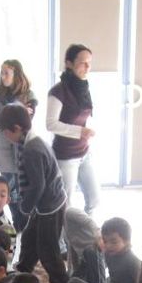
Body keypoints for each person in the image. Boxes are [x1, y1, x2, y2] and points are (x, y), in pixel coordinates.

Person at [0, 104, 71, 283]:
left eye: (6, 132)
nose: (5, 136)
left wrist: (26, 208)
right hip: (45, 203)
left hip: (50, 205)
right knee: (29, 238)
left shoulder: (32, 149)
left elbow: (38, 185)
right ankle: (22, 273)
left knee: (48, 249)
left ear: (18, 128)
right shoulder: (29, 141)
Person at [48, 43, 100, 214]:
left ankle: (86, 233)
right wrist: (79, 132)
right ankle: (66, 239)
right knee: (66, 204)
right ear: (69, 63)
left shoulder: (84, 86)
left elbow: (84, 115)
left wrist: (86, 131)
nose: (87, 67)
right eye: (82, 62)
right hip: (65, 156)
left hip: (84, 152)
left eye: (89, 63)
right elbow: (51, 124)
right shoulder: (58, 91)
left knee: (94, 199)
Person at [0, 59, 38, 230]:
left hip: (22, 144)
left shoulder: (30, 96)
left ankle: (21, 222)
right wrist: (18, 109)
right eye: (1, 73)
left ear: (16, 75)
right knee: (6, 184)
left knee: (22, 185)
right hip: (3, 143)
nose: (3, 77)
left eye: (6, 73)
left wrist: (14, 113)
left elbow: (27, 122)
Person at [65, 207, 107, 283]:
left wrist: (99, 239)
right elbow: (72, 249)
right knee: (72, 282)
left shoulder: (70, 212)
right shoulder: (63, 225)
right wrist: (71, 271)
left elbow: (90, 222)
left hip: (95, 251)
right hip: (84, 259)